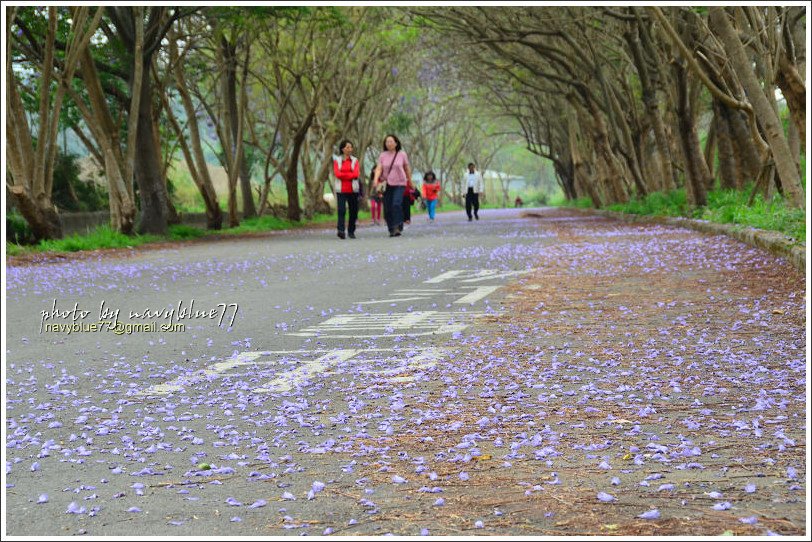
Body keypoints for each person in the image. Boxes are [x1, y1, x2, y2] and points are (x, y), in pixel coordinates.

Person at [373, 134, 412, 237]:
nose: (389, 143)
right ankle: (391, 228)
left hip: (400, 183)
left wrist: (410, 182)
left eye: (391, 141)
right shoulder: (382, 155)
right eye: (387, 142)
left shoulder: (402, 154)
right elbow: (379, 168)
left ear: (396, 143)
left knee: (396, 203)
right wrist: (375, 179)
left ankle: (397, 226)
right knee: (387, 207)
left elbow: (407, 168)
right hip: (387, 184)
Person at [332, 139, 360, 239]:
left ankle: (351, 231)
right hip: (341, 190)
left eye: (350, 147)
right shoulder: (337, 161)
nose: (349, 149)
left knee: (353, 211)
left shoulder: (355, 160)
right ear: (342, 149)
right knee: (341, 210)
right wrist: (350, 175)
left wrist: (344, 175)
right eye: (347, 147)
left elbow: (356, 174)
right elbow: (337, 174)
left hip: (353, 189)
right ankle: (341, 230)